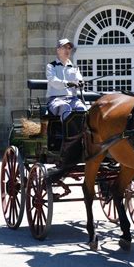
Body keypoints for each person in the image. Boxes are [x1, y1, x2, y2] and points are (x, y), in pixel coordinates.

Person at [46, 38, 87, 174]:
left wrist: (80, 82)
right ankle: (67, 142)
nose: (67, 50)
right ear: (58, 50)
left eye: (69, 48)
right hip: (56, 100)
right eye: (64, 48)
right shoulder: (51, 66)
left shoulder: (74, 67)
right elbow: (53, 81)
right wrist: (67, 83)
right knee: (66, 109)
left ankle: (84, 139)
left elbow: (79, 78)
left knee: (84, 110)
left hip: (73, 99)